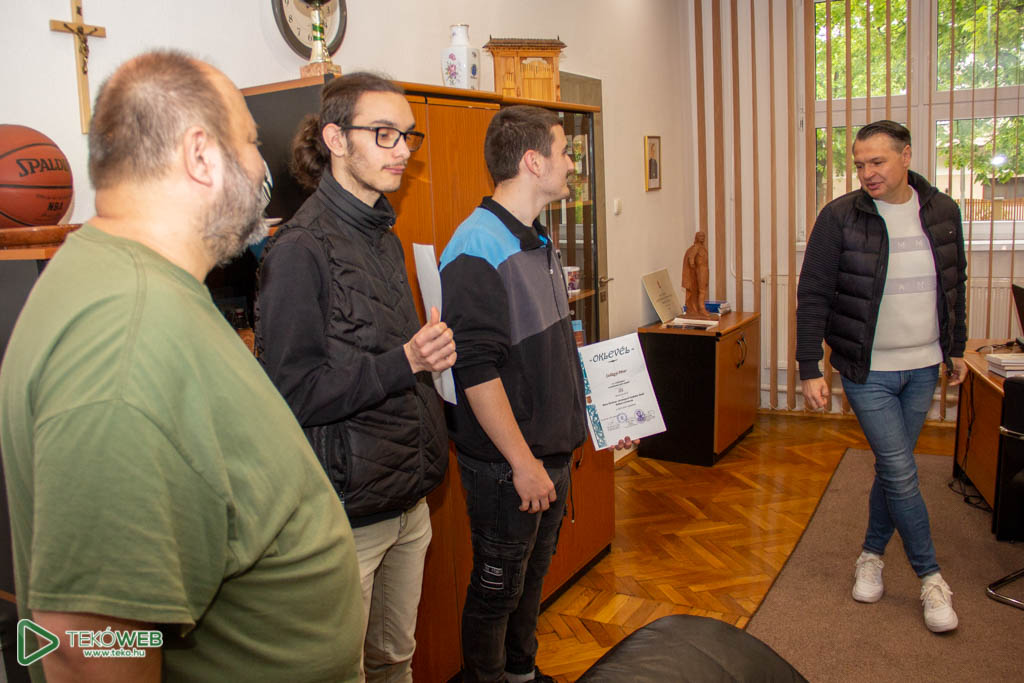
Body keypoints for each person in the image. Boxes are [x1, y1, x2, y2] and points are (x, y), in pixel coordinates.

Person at [0, 50, 363, 682]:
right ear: (201, 156)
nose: (261, 167)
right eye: (250, 142)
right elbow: (84, 646)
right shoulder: (125, 338)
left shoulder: (138, 281)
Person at [254, 72, 455, 683]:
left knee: (396, 660)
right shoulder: (300, 250)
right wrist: (407, 361)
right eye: (384, 133)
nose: (402, 150)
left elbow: (384, 357)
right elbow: (291, 396)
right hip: (349, 516)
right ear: (336, 139)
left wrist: (424, 357)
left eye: (407, 136)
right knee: (343, 673)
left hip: (408, 499)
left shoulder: (381, 235)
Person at [440, 106, 631, 683]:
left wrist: (599, 414)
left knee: (528, 583)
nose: (572, 164)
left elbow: (551, 351)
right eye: (565, 152)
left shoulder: (536, 237)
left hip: (548, 452)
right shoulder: (476, 246)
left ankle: (523, 673)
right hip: (509, 466)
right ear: (533, 161)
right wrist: (523, 465)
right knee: (497, 590)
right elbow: (476, 372)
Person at [796, 120, 967, 633]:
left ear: (906, 156)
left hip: (924, 367)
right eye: (859, 164)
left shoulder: (943, 211)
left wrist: (955, 349)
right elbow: (813, 294)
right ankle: (931, 578)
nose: (867, 173)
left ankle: (871, 554)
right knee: (900, 470)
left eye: (877, 161)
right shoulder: (838, 217)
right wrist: (809, 367)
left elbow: (955, 284)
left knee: (895, 471)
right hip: (866, 370)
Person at [681, 230, 710, 318]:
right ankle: (702, 308)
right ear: (696, 237)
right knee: (702, 291)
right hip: (700, 270)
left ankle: (700, 308)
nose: (702, 238)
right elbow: (691, 258)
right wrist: (694, 268)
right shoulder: (696, 247)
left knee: (702, 290)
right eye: (700, 236)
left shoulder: (703, 248)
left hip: (705, 270)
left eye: (703, 236)